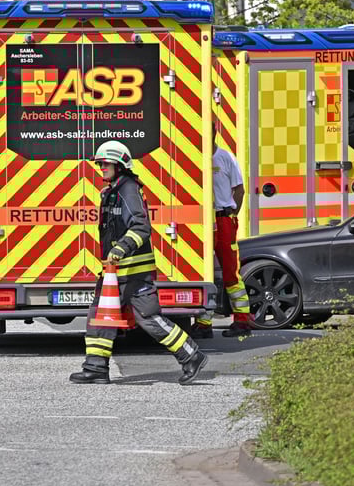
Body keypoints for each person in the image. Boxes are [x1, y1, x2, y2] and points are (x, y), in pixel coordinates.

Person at [70, 140, 208, 385]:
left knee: (148, 317)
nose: (101, 167)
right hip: (115, 272)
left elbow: (141, 227)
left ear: (120, 164)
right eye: (100, 163)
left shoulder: (128, 190)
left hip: (134, 272)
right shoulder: (115, 190)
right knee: (98, 314)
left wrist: (120, 249)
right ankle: (96, 367)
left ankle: (191, 356)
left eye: (106, 163)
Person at [188, 120, 251, 339]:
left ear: (214, 132)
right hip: (203, 220)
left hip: (223, 219)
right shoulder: (194, 157)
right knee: (204, 272)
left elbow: (240, 191)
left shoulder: (225, 157)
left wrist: (232, 216)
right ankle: (204, 324)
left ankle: (242, 321)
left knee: (230, 271)